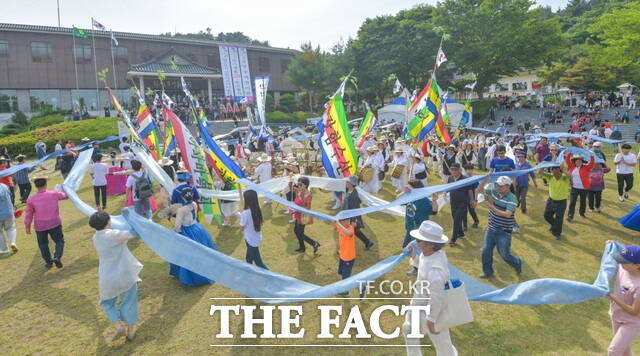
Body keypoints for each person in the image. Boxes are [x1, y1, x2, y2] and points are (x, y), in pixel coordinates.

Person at [402, 220, 457, 356]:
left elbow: (437, 297)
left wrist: (431, 319)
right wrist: (414, 257)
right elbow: (422, 264)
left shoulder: (435, 271)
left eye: (418, 240)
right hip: (418, 303)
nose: (415, 242)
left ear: (430, 245)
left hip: (431, 308)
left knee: (441, 341)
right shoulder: (428, 254)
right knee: (409, 330)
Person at [89, 211, 142, 342]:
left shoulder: (95, 238)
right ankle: (131, 329)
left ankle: (118, 326)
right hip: (125, 274)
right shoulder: (114, 235)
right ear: (108, 222)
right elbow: (134, 233)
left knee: (107, 303)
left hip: (108, 276)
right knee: (129, 302)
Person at [476, 176, 522, 278]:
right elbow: (479, 190)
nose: (498, 187)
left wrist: (493, 207)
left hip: (504, 231)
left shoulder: (512, 198)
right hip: (491, 228)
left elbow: (507, 214)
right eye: (497, 184)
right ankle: (488, 272)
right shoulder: (493, 191)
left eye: (500, 186)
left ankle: (517, 263)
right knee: (485, 250)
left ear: (507, 186)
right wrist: (485, 178)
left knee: (504, 255)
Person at [169, 187, 216, 286]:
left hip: (187, 231)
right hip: (197, 228)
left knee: (185, 254)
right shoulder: (194, 204)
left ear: (182, 197)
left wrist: (175, 232)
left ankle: (193, 277)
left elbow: (177, 225)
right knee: (202, 251)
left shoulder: (181, 210)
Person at [25, 175, 68, 269]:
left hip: (40, 226)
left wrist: (27, 227)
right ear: (46, 184)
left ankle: (48, 262)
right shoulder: (54, 194)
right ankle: (57, 256)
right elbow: (66, 196)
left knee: (43, 244)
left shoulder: (31, 199)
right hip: (54, 223)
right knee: (59, 241)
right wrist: (61, 189)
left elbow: (28, 215)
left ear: (35, 186)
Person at [399, 180, 439, 276]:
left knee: (415, 249)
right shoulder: (409, 197)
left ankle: (419, 269)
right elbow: (398, 200)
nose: (407, 188)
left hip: (419, 230)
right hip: (410, 228)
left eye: (409, 187)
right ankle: (417, 267)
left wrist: (434, 200)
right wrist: (404, 192)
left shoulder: (424, 200)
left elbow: (434, 210)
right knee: (407, 247)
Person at [606, 243, 640, 355]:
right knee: (624, 350)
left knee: (614, 351)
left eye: (625, 261)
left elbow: (634, 311)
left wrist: (614, 298)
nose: (620, 263)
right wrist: (611, 244)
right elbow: (620, 250)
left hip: (632, 322)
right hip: (616, 314)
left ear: (637, 265)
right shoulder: (622, 268)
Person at [342, 175, 374, 250]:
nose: (346, 182)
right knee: (355, 231)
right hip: (347, 215)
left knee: (347, 232)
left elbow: (354, 209)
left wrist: (353, 220)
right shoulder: (348, 190)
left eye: (348, 181)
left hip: (350, 217)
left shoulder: (354, 195)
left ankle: (343, 249)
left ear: (352, 184)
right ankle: (368, 242)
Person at [239, 190, 268, 269]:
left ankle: (272, 277)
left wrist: (240, 216)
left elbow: (241, 228)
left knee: (259, 263)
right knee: (249, 258)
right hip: (255, 237)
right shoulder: (257, 210)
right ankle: (249, 270)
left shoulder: (245, 213)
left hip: (251, 240)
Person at [447, 163, 475, 245]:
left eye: (456, 169)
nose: (454, 171)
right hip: (453, 202)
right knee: (455, 218)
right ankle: (461, 233)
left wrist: (472, 200)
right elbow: (448, 187)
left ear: (460, 170)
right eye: (452, 169)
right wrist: (445, 192)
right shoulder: (450, 177)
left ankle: (453, 239)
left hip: (463, 203)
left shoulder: (465, 179)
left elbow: (470, 190)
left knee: (456, 221)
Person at [292, 177, 320, 253]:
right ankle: (302, 247)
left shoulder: (308, 195)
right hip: (298, 214)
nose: (299, 186)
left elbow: (307, 208)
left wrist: (296, 207)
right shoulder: (299, 190)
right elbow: (292, 188)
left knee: (300, 233)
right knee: (296, 231)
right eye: (298, 184)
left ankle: (314, 243)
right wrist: (290, 181)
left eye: (301, 184)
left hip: (304, 216)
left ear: (306, 185)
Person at [542, 166, 570, 240]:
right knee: (546, 215)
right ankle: (554, 226)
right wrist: (542, 166)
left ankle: (557, 234)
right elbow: (540, 173)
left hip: (561, 202)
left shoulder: (564, 177)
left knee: (559, 219)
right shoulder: (551, 176)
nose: (555, 173)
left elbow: (569, 176)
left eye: (557, 170)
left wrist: (563, 169)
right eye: (553, 170)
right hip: (551, 200)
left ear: (560, 171)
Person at [566, 153, 595, 221]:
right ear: (574, 161)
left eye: (580, 161)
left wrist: (592, 156)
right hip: (574, 188)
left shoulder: (586, 167)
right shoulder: (571, 166)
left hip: (584, 188)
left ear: (582, 162)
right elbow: (567, 160)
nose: (578, 162)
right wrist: (570, 152)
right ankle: (570, 216)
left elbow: (592, 163)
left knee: (583, 202)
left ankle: (582, 213)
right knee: (572, 202)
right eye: (577, 160)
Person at [334, 218, 356, 297]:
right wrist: (335, 222)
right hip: (342, 255)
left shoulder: (350, 228)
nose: (348, 222)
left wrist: (339, 224)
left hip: (349, 257)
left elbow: (349, 234)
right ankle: (343, 285)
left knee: (346, 275)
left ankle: (345, 292)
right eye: (346, 221)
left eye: (349, 220)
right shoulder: (340, 227)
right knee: (341, 272)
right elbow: (335, 227)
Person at [0, 183, 17, 254]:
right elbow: (10, 197)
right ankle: (13, 242)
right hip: (8, 212)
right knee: (11, 228)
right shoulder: (4, 186)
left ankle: (4, 249)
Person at [463, 164, 480, 230]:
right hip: (464, 197)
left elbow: (476, 190)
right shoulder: (463, 179)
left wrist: (475, 200)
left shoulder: (474, 179)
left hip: (471, 198)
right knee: (463, 211)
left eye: (471, 170)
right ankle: (464, 226)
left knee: (471, 210)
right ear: (465, 170)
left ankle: (476, 221)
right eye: (468, 170)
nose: (469, 171)